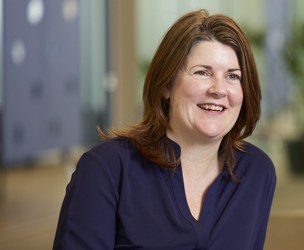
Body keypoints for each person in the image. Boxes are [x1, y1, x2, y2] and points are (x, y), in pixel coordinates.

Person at [53, 9, 276, 250]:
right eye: (202, 72)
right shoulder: (106, 168)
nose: (219, 89)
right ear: (166, 85)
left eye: (233, 76)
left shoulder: (256, 172)